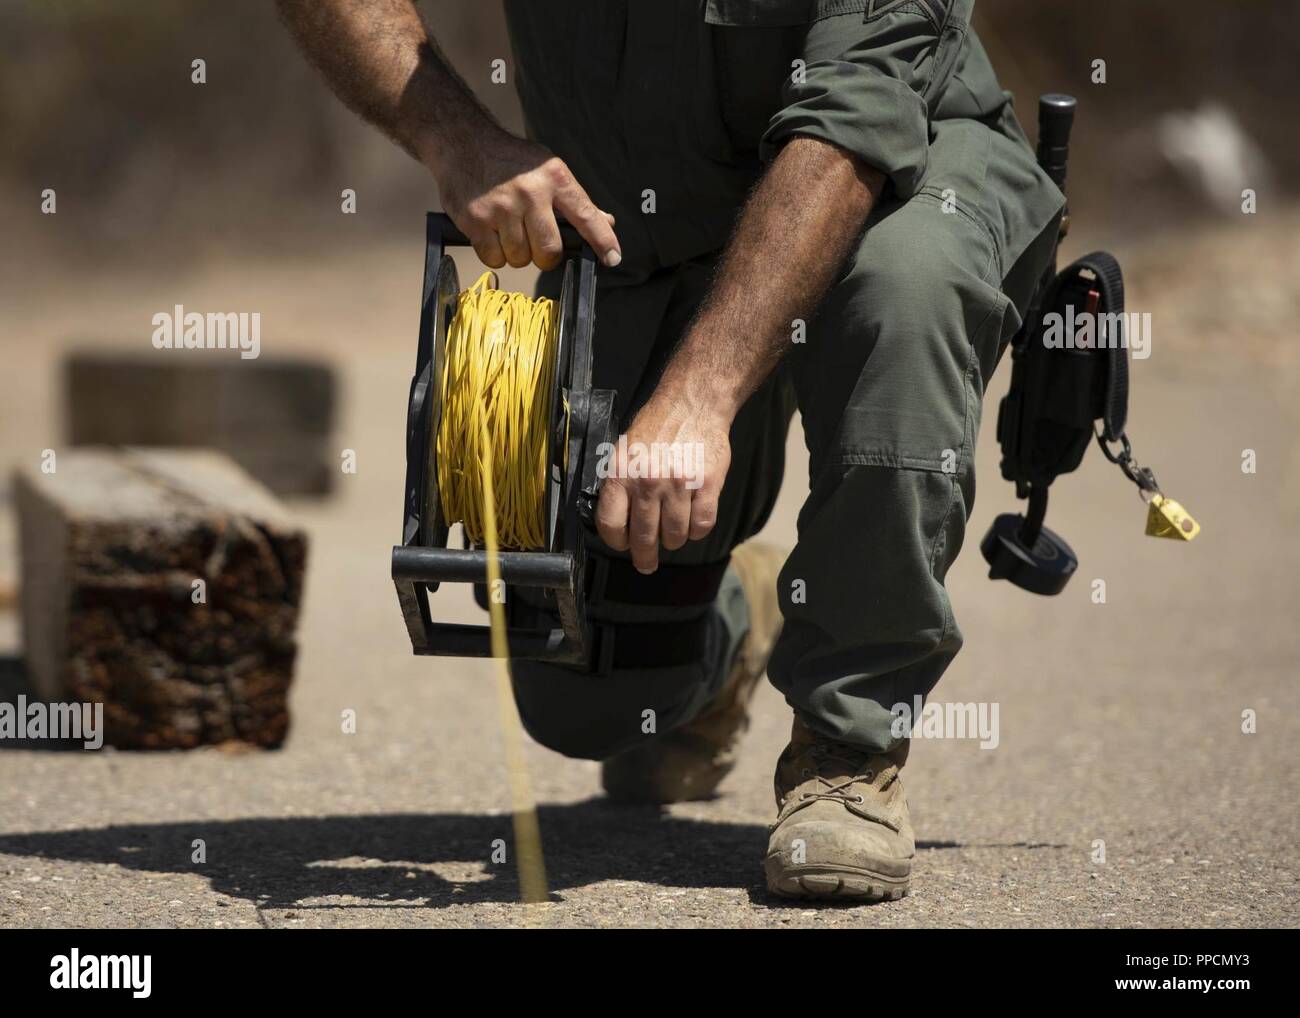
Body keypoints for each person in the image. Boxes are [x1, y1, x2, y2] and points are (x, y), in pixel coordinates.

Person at [278, 0, 1064, 900]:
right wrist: (456, 137)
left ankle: (847, 751)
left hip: (899, 174)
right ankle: (738, 622)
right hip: (641, 233)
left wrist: (700, 396)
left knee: (902, 292)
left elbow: (852, 120)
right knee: (584, 706)